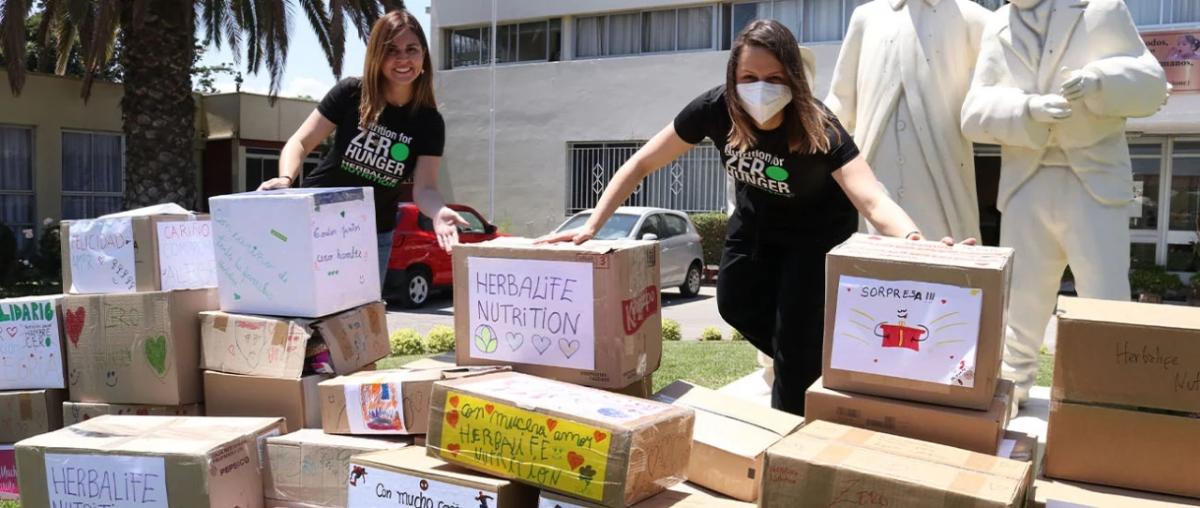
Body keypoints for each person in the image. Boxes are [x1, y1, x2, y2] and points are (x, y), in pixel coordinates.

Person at [540, 20, 966, 416]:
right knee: (732, 302)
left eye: (775, 78)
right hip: (754, 228)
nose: (760, 88)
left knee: (794, 352)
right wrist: (591, 225)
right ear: (733, 78)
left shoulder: (820, 127)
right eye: (749, 78)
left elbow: (872, 198)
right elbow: (640, 164)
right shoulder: (715, 109)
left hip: (813, 239)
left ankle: (792, 433)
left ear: (794, 79)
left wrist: (915, 239)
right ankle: (813, 361)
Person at [961, 0, 1168, 405]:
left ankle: (1108, 396)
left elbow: (1152, 85)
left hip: (1093, 181)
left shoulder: (1102, 9)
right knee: (1021, 297)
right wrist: (1027, 109)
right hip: (1026, 183)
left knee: (1104, 295)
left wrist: (1099, 83)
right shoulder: (999, 23)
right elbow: (973, 112)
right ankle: (1012, 387)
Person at [258, 8, 466, 286]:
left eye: (411, 49)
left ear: (423, 56)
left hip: (373, 235)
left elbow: (425, 188)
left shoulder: (429, 122)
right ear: (377, 56)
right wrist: (286, 178)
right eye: (392, 50)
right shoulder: (351, 94)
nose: (403, 58)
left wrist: (439, 212)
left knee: (356, 322)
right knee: (300, 312)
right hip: (315, 222)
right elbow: (301, 141)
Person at [825, 0, 991, 241]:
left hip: (942, 191)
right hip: (874, 190)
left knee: (943, 268)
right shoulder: (866, 16)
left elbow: (1009, 60)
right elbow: (840, 99)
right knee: (870, 270)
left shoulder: (969, 16)